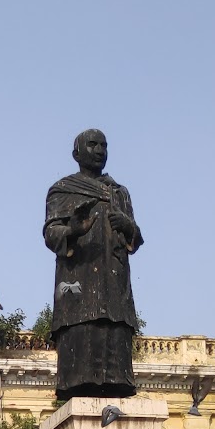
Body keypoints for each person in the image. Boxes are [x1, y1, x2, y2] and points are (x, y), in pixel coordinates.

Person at [43, 129, 142, 400]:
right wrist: (73, 229)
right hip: (79, 281)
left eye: (104, 146)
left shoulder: (119, 193)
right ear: (77, 153)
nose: (100, 150)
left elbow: (136, 239)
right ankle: (79, 384)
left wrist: (128, 226)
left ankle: (116, 384)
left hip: (115, 281)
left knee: (114, 333)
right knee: (81, 335)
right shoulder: (62, 190)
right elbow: (51, 235)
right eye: (93, 145)